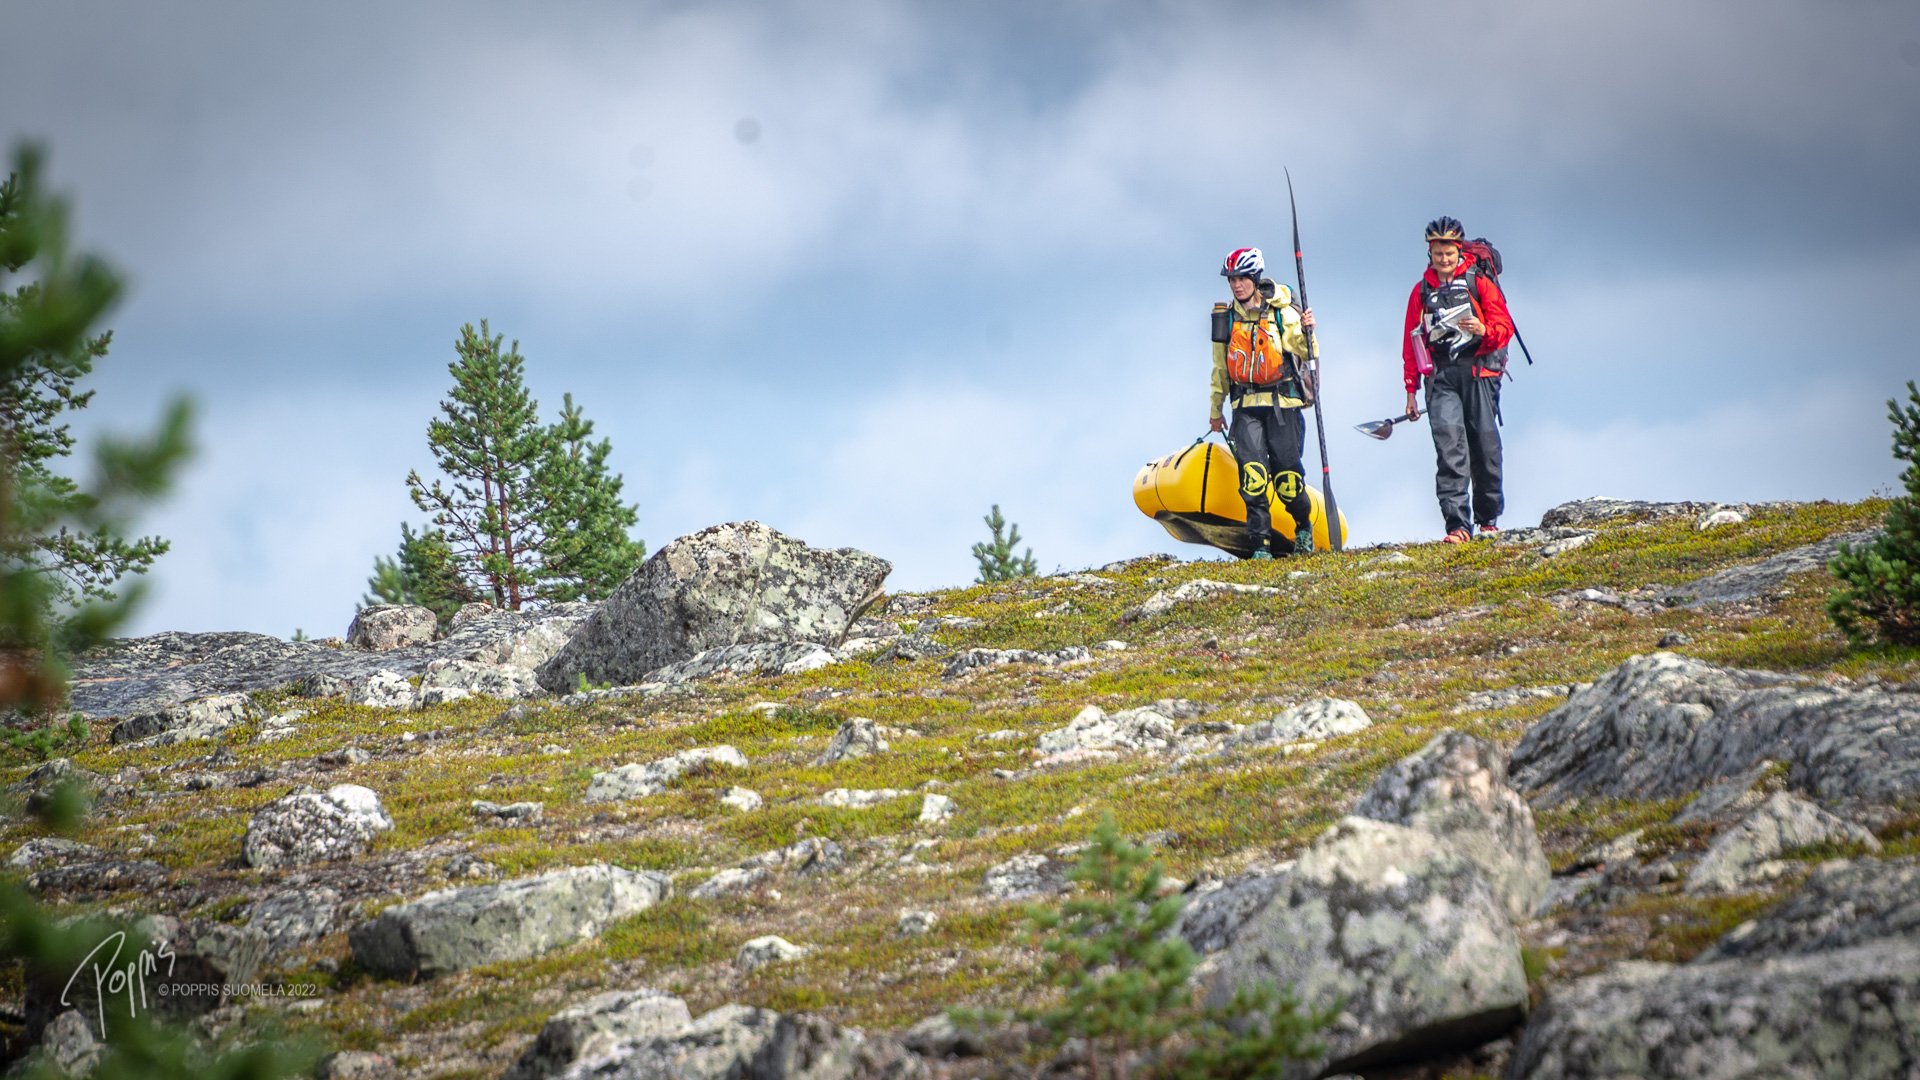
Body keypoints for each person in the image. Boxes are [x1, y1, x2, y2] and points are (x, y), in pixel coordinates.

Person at [1402, 217, 1514, 543]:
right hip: (1440, 378)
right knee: (1450, 450)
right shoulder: (1421, 291)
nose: (1444, 259)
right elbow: (1411, 343)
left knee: (1485, 447)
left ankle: (1488, 519)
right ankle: (1457, 527)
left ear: (1458, 250)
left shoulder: (1480, 283)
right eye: (1438, 253)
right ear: (1430, 253)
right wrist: (1410, 390)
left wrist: (1484, 331)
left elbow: (1504, 327)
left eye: (1449, 253)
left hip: (1479, 373)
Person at [1208, 246, 1317, 559]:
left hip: (1284, 405)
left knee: (1288, 479)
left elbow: (1309, 353)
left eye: (1242, 278)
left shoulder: (1281, 312)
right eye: (1232, 279)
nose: (1236, 285)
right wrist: (1216, 410)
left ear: (1255, 278)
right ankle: (1260, 546)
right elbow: (1220, 368)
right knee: (1253, 477)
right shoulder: (1226, 320)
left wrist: (1308, 331)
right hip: (1245, 407)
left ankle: (1303, 527)